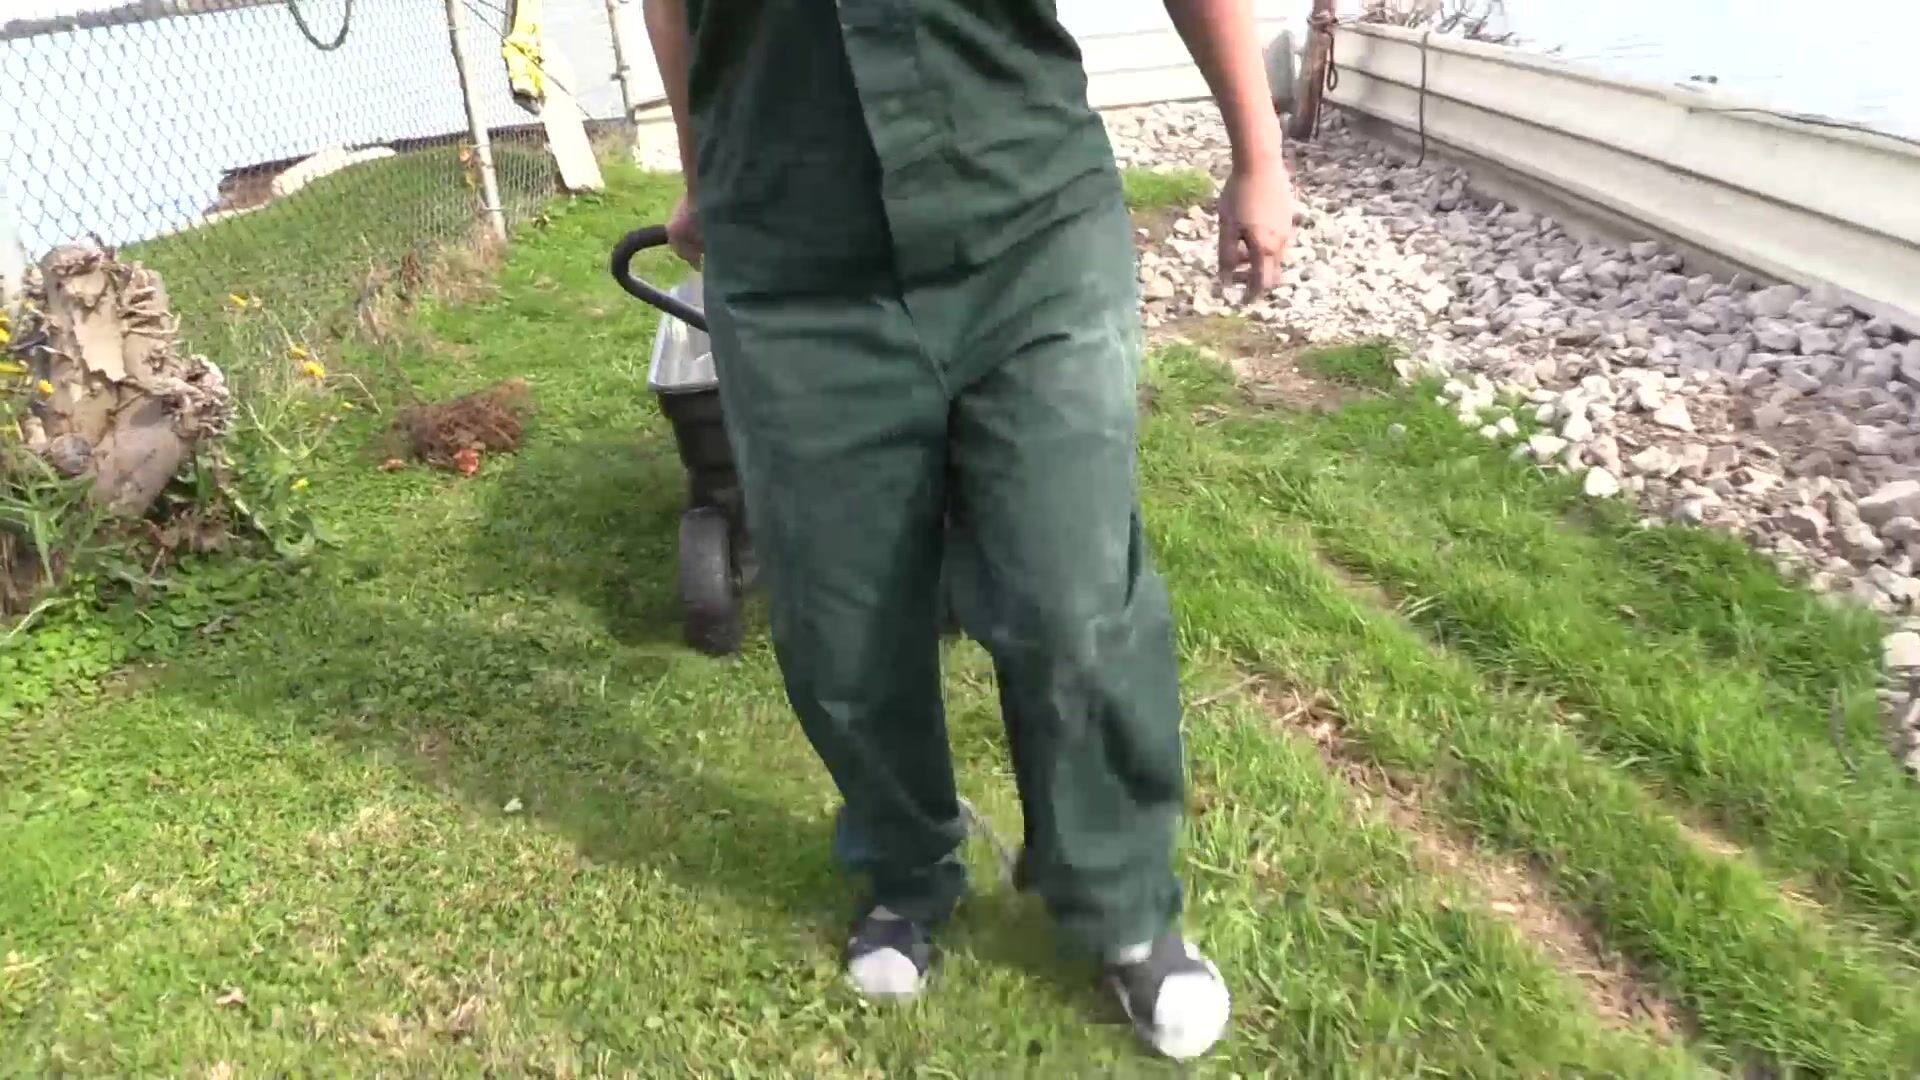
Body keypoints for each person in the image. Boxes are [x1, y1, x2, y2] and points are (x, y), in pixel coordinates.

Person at [642, 0, 1297, 1061]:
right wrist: (700, 165)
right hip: (792, 251)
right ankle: (905, 871)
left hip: (1026, 226)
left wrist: (1257, 153)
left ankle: (1120, 898)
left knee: (1070, 588)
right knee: (841, 609)